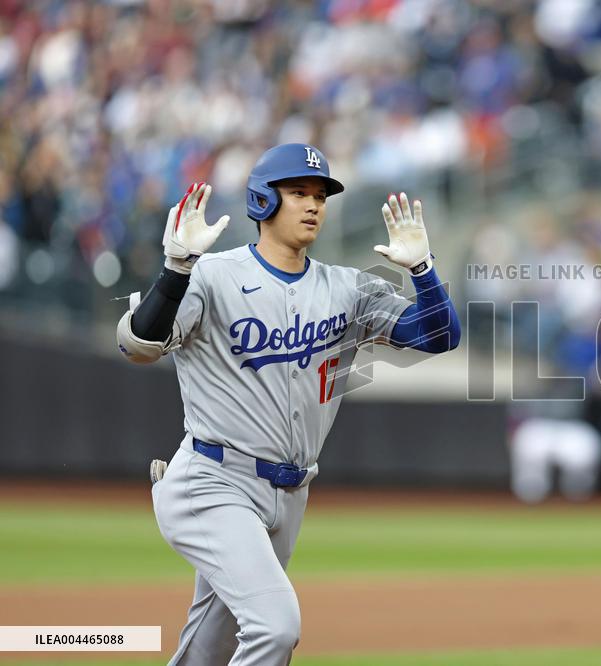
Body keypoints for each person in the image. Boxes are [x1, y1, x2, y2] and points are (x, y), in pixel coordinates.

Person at [115, 143, 460, 664]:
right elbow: (139, 344)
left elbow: (439, 336)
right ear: (262, 202)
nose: (313, 204)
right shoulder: (212, 276)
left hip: (290, 493)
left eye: (320, 194)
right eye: (297, 192)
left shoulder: (348, 288)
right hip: (213, 482)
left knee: (209, 652)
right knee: (275, 628)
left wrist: (424, 270)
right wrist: (177, 267)